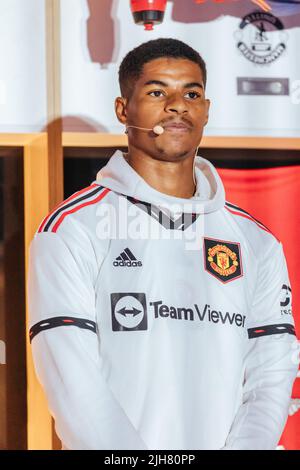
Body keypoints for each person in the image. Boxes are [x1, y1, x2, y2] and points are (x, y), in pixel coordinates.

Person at [28, 38, 298, 450]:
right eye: (157, 92)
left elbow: (271, 375)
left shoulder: (257, 241)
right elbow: (71, 378)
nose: (177, 105)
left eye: (192, 93)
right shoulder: (73, 226)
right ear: (124, 110)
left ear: (207, 110)